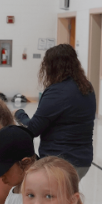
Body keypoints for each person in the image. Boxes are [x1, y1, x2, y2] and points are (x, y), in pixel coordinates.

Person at [15, 44, 96, 180]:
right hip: (83, 161)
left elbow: (32, 129)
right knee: (68, 197)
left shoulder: (57, 92)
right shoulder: (87, 87)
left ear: (51, 67)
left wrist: (19, 114)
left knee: (55, 199)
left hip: (59, 162)